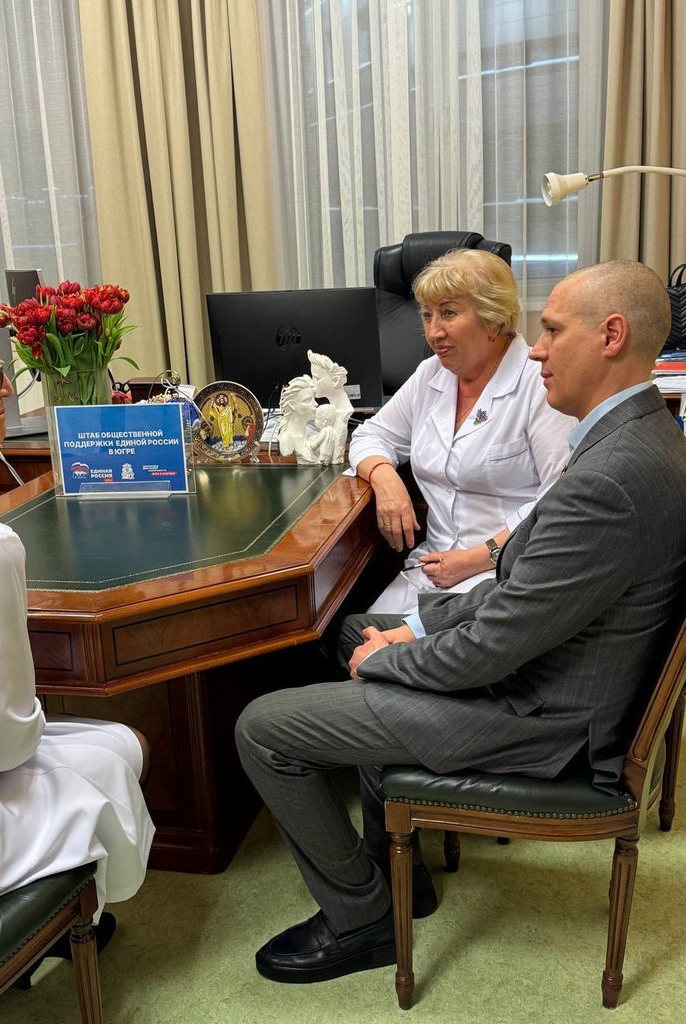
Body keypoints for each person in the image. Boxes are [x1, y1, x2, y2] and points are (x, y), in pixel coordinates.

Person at [235, 261, 686, 985]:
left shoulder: (607, 478)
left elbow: (494, 644)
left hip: (542, 716)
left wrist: (389, 659)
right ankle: (397, 875)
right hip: (549, 672)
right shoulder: (638, 437)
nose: (537, 350)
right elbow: (525, 588)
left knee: (263, 727)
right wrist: (414, 631)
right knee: (361, 634)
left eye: (551, 331)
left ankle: (363, 918)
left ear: (611, 337)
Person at [0, 292, 155, 935]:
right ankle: (67, 925)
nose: (6, 387)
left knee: (106, 745)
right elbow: (3, 743)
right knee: (122, 750)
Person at [349, 248, 574, 615]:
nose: (433, 332)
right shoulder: (431, 375)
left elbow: (558, 499)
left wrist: (479, 557)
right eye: (427, 315)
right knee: (362, 636)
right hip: (430, 568)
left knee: (377, 642)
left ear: (493, 319)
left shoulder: (539, 383)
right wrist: (384, 477)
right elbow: (370, 436)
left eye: (449, 313)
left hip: (505, 574)